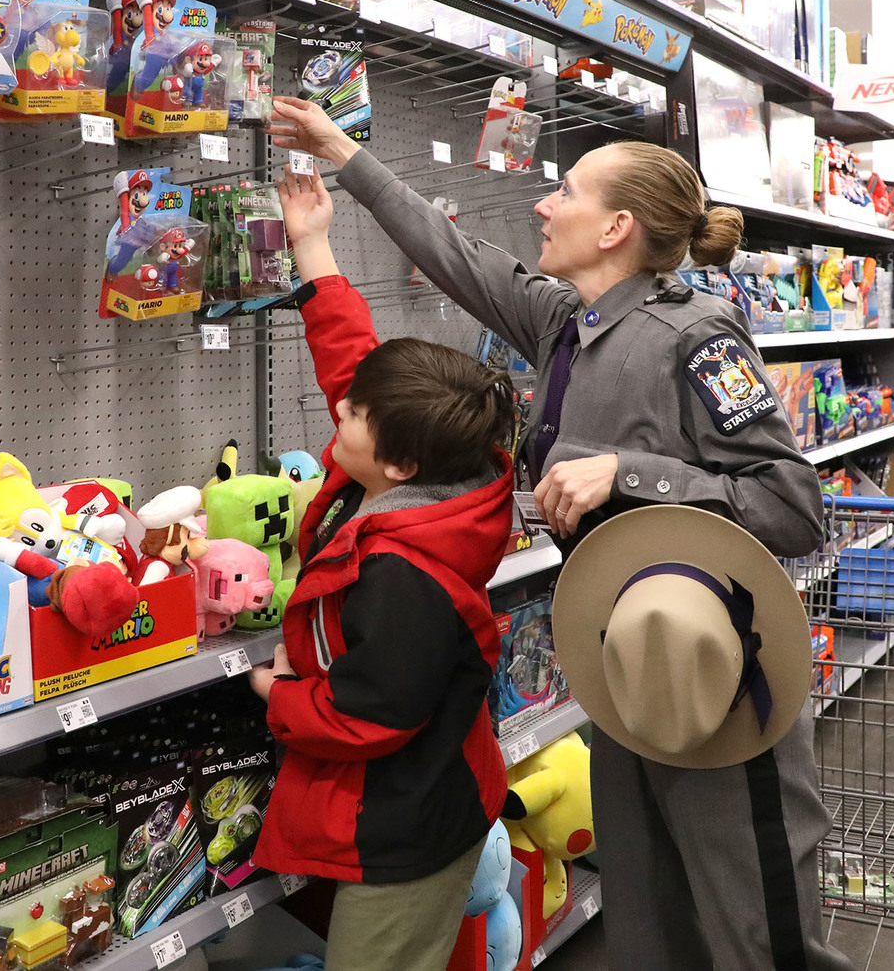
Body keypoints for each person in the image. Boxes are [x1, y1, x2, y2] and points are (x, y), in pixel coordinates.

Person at [267, 96, 852, 970]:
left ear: (616, 227)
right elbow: (452, 251)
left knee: (757, 929)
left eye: (566, 191)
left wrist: (632, 473)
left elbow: (792, 505)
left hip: (721, 673)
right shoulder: (563, 324)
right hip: (623, 670)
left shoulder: (696, 337)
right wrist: (340, 151)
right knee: (650, 918)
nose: (545, 203)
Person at [248, 164, 518, 971]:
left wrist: (281, 694)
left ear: (398, 463)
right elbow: (353, 361)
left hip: (406, 824)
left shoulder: (406, 574)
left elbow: (374, 713)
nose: (338, 411)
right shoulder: (430, 474)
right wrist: (313, 246)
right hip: (415, 796)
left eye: (354, 415)